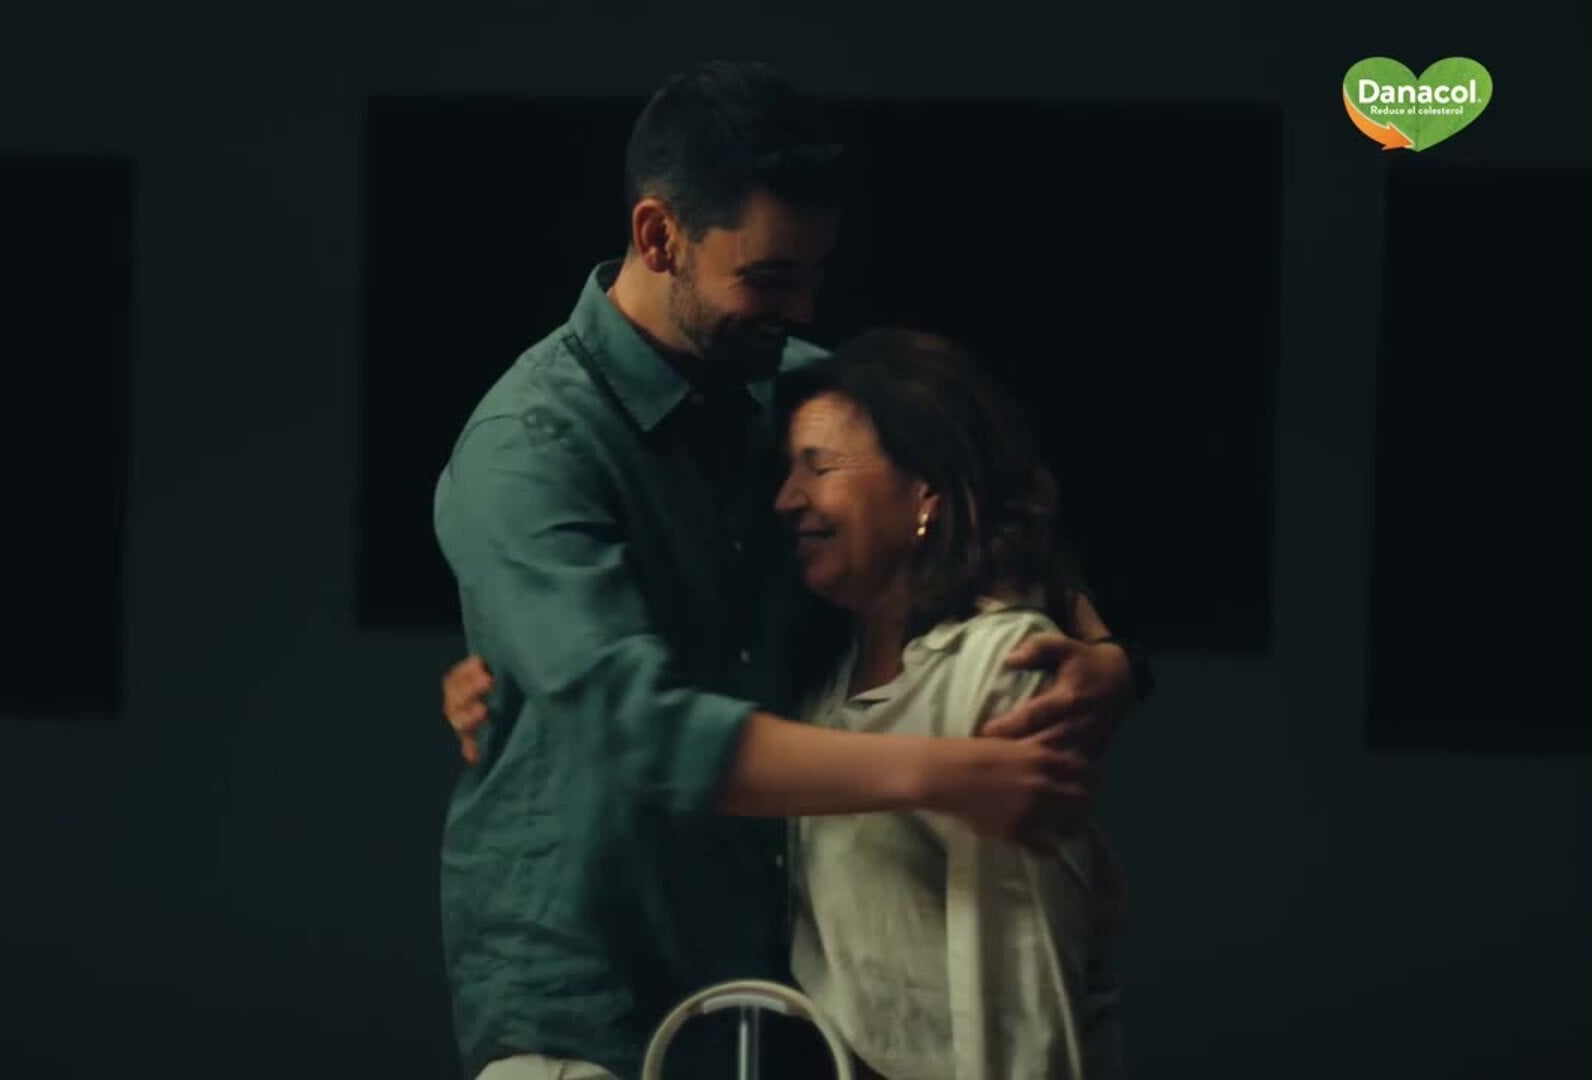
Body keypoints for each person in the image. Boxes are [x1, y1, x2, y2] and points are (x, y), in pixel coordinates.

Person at [433, 61, 1149, 1080]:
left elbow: (979, 494)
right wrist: (950, 773)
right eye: (770, 279)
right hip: (581, 991)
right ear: (658, 237)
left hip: (769, 998)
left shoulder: (802, 389)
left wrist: (1109, 656)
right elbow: (642, 728)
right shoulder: (528, 447)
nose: (802, 306)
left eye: (815, 274)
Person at [771, 328, 1126, 1079]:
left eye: (819, 467)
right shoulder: (823, 685)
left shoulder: (1001, 668)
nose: (787, 498)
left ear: (925, 490)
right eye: (787, 470)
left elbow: (1027, 990)